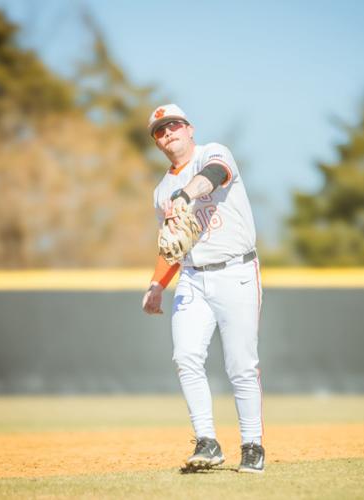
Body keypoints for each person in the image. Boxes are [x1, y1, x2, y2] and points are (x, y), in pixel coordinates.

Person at [142, 104, 264, 473]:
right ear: (157, 143)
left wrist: (185, 195)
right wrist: (156, 284)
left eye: (174, 126)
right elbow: (172, 245)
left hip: (236, 271)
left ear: (190, 129)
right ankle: (207, 441)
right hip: (193, 277)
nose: (168, 133)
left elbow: (214, 175)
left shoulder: (214, 152)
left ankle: (252, 444)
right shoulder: (161, 190)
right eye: (160, 131)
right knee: (185, 357)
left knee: (241, 365)